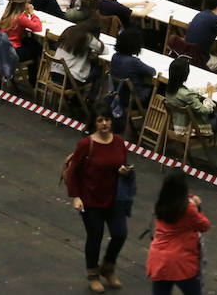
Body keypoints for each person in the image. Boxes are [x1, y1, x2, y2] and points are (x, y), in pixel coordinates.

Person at [65, 106, 134, 292]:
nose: (104, 124)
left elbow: (122, 163)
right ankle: (93, 274)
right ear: (94, 123)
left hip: (114, 198)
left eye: (107, 120)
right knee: (95, 237)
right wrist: (76, 196)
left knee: (120, 234)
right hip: (91, 199)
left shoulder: (119, 142)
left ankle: (108, 268)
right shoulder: (86, 144)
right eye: (100, 120)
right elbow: (74, 171)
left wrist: (124, 171)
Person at [145, 169, 212, 295]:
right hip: (181, 262)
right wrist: (196, 205)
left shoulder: (160, 203)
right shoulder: (188, 209)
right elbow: (205, 225)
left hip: (159, 260)